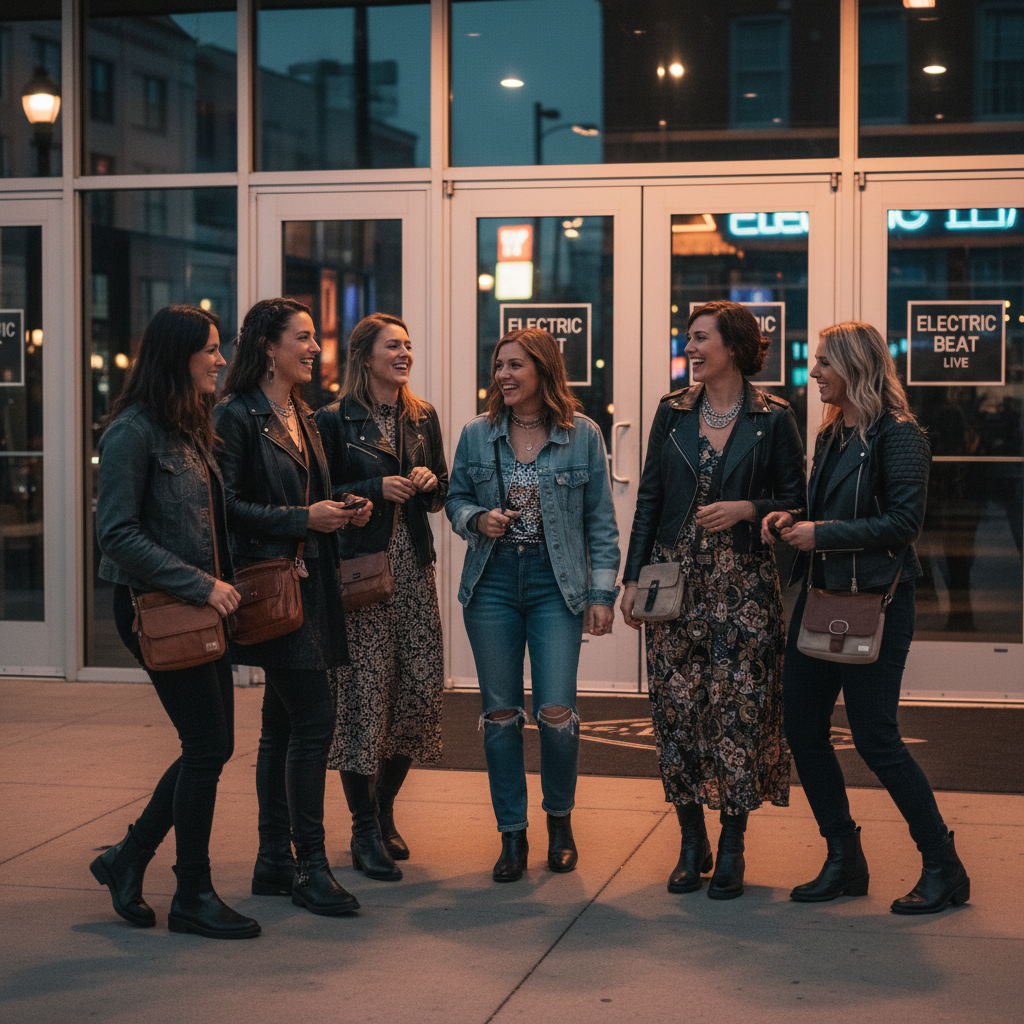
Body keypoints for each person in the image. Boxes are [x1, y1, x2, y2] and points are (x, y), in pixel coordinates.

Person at [762, 320, 971, 914]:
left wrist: (821, 533)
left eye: (825, 362)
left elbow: (904, 525)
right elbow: (815, 507)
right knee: (802, 727)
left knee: (876, 737)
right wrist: (785, 520)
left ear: (857, 367)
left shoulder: (899, 435)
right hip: (823, 598)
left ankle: (942, 864)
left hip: (877, 602)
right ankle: (844, 858)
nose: (814, 372)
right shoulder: (833, 435)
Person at [619, 300, 804, 900]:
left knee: (737, 712)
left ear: (733, 345)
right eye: (688, 339)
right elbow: (648, 498)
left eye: (700, 339)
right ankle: (690, 840)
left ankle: (732, 845)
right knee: (677, 712)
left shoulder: (773, 416)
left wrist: (749, 509)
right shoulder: (671, 413)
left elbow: (795, 499)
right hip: (674, 581)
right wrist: (632, 579)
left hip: (744, 585)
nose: (690, 348)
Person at [92, 305, 260, 939]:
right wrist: (199, 584)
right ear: (176, 356)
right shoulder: (132, 432)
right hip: (158, 609)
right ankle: (191, 892)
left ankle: (128, 859)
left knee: (210, 745)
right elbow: (116, 535)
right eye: (211, 350)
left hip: (201, 604)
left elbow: (212, 521)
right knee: (208, 745)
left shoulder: (188, 425)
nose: (221, 359)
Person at [215, 297, 371, 917]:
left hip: (309, 583)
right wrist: (300, 519)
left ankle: (273, 862)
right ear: (267, 346)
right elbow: (223, 506)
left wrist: (338, 508)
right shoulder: (235, 416)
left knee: (281, 728)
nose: (314, 349)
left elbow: (312, 493)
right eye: (303, 338)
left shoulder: (300, 413)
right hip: (272, 588)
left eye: (314, 339)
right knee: (313, 722)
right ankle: (310, 865)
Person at [446, 328, 620, 883]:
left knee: (556, 714)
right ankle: (511, 835)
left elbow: (601, 522)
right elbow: (455, 500)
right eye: (499, 365)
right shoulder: (478, 434)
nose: (503, 375)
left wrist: (601, 595)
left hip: (555, 584)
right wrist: (478, 519)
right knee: (499, 716)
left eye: (515, 365)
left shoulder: (582, 435)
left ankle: (560, 823)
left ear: (543, 370)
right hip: (492, 582)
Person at [317, 313, 449, 882]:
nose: (404, 354)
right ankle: (362, 828)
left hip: (414, 571)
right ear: (363, 356)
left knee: (417, 691)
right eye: (392, 346)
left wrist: (427, 483)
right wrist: (374, 487)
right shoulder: (332, 420)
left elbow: (443, 492)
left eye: (408, 346)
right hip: (362, 575)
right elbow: (319, 496)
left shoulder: (422, 417)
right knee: (364, 698)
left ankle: (383, 806)